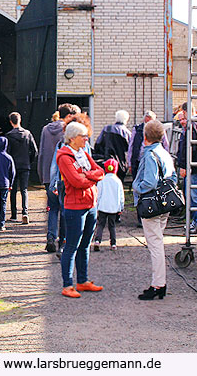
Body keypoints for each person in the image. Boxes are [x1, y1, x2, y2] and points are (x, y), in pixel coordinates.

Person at [56, 121, 105, 298]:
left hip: (91, 204)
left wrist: (88, 176)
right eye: (82, 136)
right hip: (75, 207)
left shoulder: (83, 152)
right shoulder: (64, 157)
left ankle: (82, 281)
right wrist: (91, 178)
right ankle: (67, 284)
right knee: (72, 246)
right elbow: (76, 182)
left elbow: (100, 170)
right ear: (72, 138)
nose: (86, 139)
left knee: (85, 245)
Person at [132, 119, 176, 300]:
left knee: (155, 245)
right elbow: (171, 176)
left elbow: (149, 182)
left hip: (151, 204)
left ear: (145, 136)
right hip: (164, 202)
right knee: (158, 242)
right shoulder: (164, 153)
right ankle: (159, 283)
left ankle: (158, 284)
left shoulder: (150, 155)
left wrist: (137, 187)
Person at [39, 103, 78, 253]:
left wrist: (43, 175)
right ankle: (63, 242)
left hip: (49, 175)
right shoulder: (68, 132)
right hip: (63, 177)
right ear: (68, 116)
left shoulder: (45, 130)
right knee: (64, 210)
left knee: (52, 209)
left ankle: (50, 237)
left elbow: (42, 153)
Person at [128, 110, 169, 227]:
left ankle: (151, 213)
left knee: (149, 187)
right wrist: (129, 162)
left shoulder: (159, 133)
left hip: (152, 160)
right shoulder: (137, 129)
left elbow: (166, 145)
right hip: (138, 161)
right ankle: (141, 216)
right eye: (146, 121)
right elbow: (131, 146)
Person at [5, 112, 38, 224]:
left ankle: (14, 215)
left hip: (13, 166)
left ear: (10, 122)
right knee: (24, 190)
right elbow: (35, 151)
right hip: (25, 165)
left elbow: (7, 152)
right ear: (20, 120)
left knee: (13, 190)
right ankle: (25, 212)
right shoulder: (28, 134)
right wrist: (29, 161)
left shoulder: (9, 136)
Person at [93, 158, 124, 251]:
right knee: (112, 225)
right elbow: (121, 196)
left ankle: (97, 241)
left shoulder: (102, 180)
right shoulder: (118, 182)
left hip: (103, 206)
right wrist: (120, 208)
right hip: (114, 208)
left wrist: (96, 206)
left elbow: (98, 194)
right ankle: (113, 244)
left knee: (101, 224)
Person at [94, 110, 131, 179]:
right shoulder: (127, 133)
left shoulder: (107, 129)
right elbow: (130, 149)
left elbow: (98, 144)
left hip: (106, 160)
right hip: (121, 163)